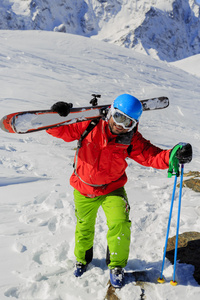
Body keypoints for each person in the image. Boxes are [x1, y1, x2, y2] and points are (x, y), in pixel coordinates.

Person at [47, 94, 192, 288]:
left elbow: (152, 156)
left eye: (128, 122)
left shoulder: (130, 139)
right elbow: (58, 131)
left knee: (120, 224)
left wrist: (174, 154)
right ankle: (82, 259)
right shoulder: (89, 125)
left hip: (112, 189)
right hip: (83, 188)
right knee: (84, 227)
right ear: (110, 113)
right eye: (119, 117)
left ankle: (116, 265)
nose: (121, 126)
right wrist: (58, 116)